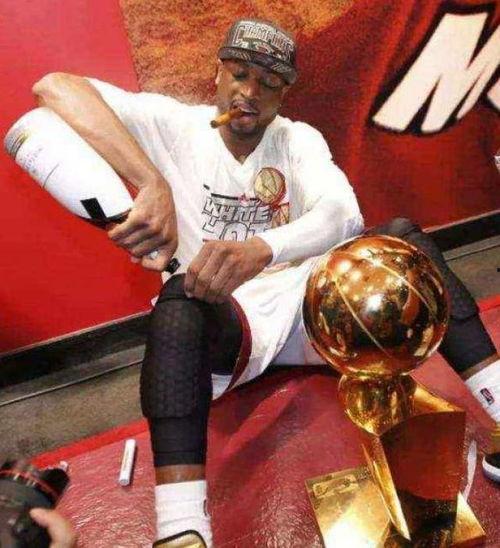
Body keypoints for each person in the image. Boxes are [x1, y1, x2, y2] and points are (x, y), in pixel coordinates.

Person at [32, 17, 499, 547]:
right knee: (179, 300)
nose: (250, 93)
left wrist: (260, 250)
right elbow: (55, 88)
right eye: (240, 75)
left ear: (284, 93)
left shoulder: (297, 139)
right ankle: (182, 529)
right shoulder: (171, 123)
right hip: (232, 328)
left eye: (269, 83)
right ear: (218, 73)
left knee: (403, 241)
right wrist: (150, 181)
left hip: (317, 317)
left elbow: (343, 213)